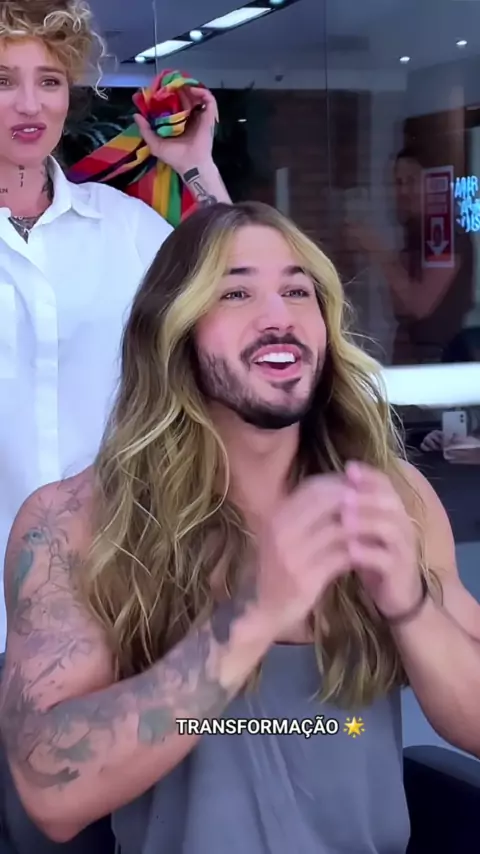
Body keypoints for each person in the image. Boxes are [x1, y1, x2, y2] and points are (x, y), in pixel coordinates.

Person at [2, 201, 480, 854]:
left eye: (297, 291)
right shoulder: (73, 523)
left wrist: (411, 605)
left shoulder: (391, 496)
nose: (278, 315)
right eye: (236, 292)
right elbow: (48, 792)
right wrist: (251, 617)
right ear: (175, 325)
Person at [0, 0, 230, 649]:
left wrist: (194, 165)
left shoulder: (124, 228)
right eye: (3, 81)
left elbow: (239, 294)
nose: (29, 104)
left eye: (49, 80)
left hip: (112, 599)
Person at [346, 147, 474, 365]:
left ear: (430, 184)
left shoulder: (444, 233)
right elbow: (400, 307)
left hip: (443, 360)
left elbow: (419, 306)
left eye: (411, 181)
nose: (403, 190)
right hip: (416, 356)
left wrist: (376, 249)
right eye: (398, 182)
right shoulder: (415, 234)